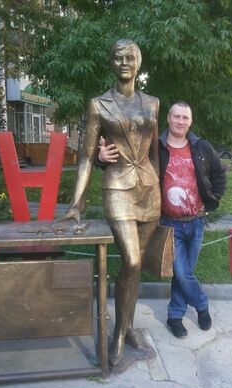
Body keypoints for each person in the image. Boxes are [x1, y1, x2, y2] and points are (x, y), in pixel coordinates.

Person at [63, 39, 160, 366]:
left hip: (150, 190)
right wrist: (76, 202)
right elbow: (87, 156)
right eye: (118, 58)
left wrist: (160, 187)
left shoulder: (153, 103)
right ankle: (118, 332)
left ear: (138, 63)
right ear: (111, 63)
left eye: (130, 58)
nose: (124, 63)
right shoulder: (98, 104)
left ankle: (129, 327)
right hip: (118, 187)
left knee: (136, 266)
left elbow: (155, 154)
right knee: (130, 261)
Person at [99, 101, 226, 338]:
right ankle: (201, 305)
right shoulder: (155, 146)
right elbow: (127, 163)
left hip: (196, 221)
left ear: (191, 121)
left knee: (184, 273)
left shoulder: (201, 147)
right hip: (170, 223)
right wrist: (101, 158)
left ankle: (175, 316)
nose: (180, 121)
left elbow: (219, 173)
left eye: (185, 118)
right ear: (168, 118)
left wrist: (212, 201)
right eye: (176, 116)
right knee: (182, 273)